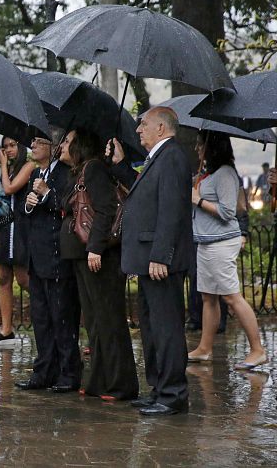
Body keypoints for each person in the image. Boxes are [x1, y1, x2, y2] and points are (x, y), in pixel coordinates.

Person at [106, 106, 193, 416]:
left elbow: (171, 210)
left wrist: (160, 255)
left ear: (161, 128)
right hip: (146, 260)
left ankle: (173, 394)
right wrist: (120, 165)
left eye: (143, 124)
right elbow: (142, 194)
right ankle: (158, 388)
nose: (138, 129)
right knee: (151, 327)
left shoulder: (172, 157)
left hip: (159, 261)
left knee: (166, 328)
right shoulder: (158, 157)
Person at [59, 129, 138, 401]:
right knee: (94, 321)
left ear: (80, 144)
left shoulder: (93, 169)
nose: (62, 145)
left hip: (99, 256)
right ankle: (99, 380)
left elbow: (106, 208)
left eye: (67, 141)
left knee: (109, 319)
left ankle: (121, 384)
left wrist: (95, 247)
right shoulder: (79, 172)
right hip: (82, 256)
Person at [187, 131, 267, 370]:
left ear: (212, 147)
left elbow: (227, 212)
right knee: (208, 297)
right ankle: (204, 348)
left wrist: (198, 200)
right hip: (206, 242)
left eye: (200, 145)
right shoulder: (208, 174)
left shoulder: (225, 173)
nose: (197, 149)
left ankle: (257, 350)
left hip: (221, 242)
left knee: (231, 297)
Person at [14, 131, 81, 394]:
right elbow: (24, 210)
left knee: (61, 317)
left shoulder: (65, 174)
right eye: (32, 141)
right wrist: (30, 203)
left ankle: (68, 372)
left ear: (53, 146)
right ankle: (43, 371)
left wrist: (47, 193)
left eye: (39, 141)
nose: (32, 145)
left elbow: (68, 207)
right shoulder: (34, 173)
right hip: (37, 256)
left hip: (56, 256)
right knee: (41, 318)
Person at [0, 136, 35, 345]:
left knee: (23, 278)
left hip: (21, 226)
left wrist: (4, 166)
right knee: (3, 277)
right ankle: (6, 330)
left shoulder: (29, 165)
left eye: (13, 145)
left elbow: (9, 188)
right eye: (5, 146)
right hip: (4, 226)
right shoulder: (5, 168)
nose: (8, 150)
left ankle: (49, 306)